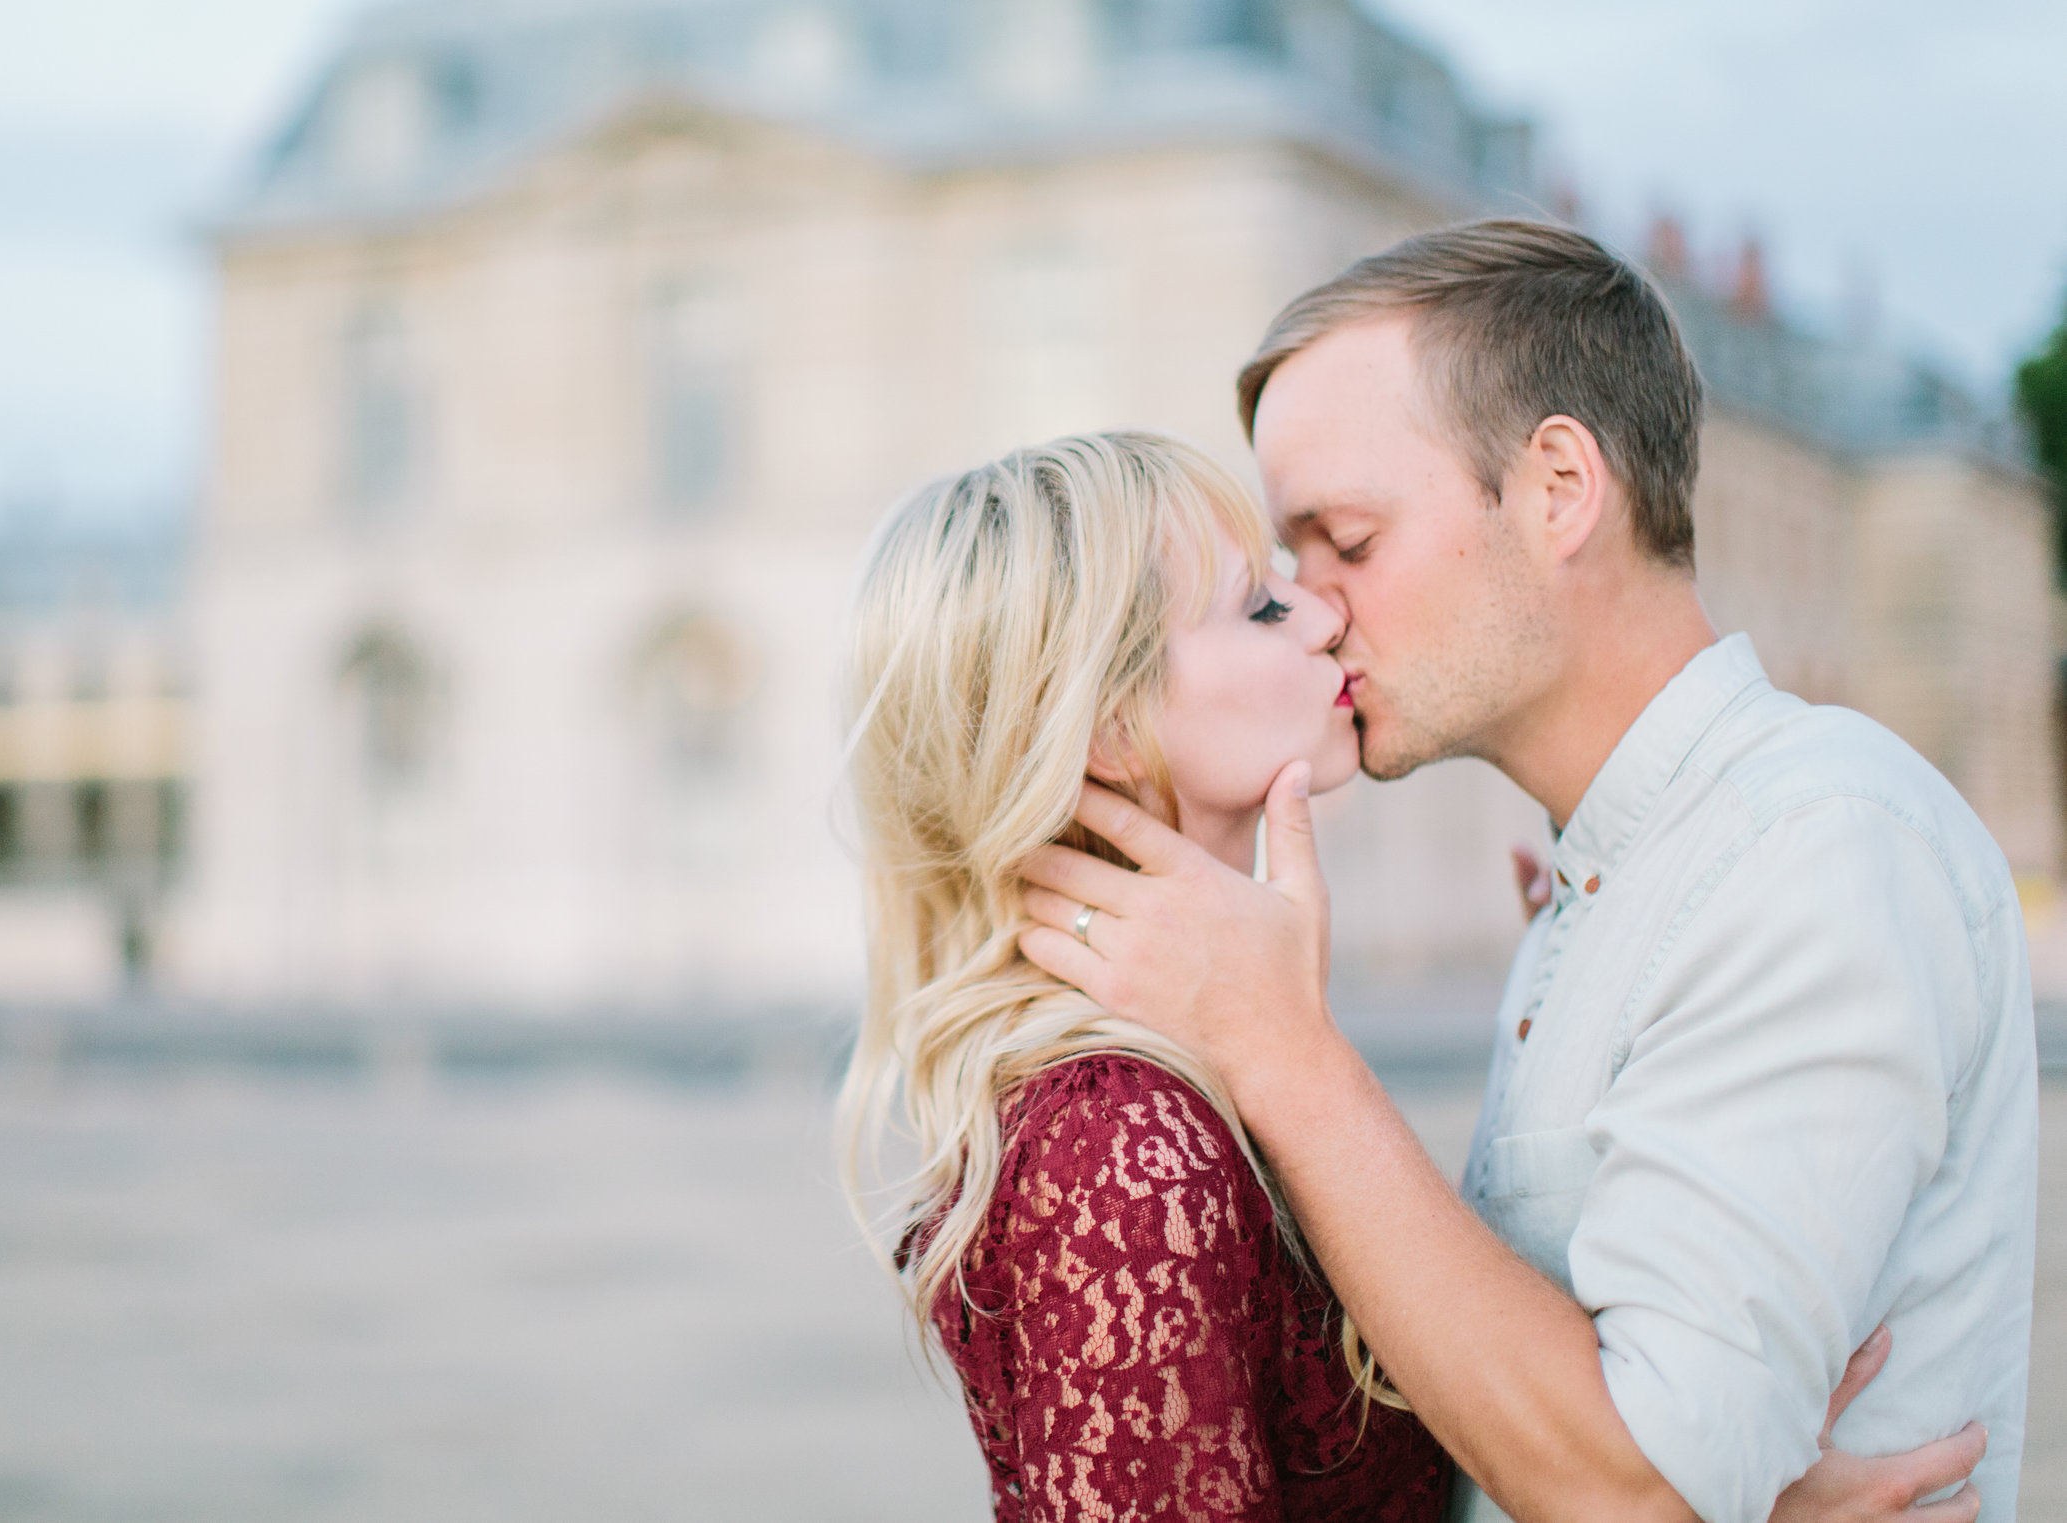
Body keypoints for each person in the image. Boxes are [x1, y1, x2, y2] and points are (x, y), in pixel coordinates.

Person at [1016, 220, 2033, 1522]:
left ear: (1559, 487)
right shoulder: (1609, 872)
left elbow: (1641, 1482)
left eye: (1351, 540)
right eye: (1287, 566)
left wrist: (1287, 1053)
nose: (1314, 610)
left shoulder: (1812, 848)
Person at [837, 432, 1451, 1521]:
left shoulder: (1197, 1065)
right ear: (1111, 727)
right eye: (1259, 605)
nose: (1322, 613)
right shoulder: (1116, 1141)